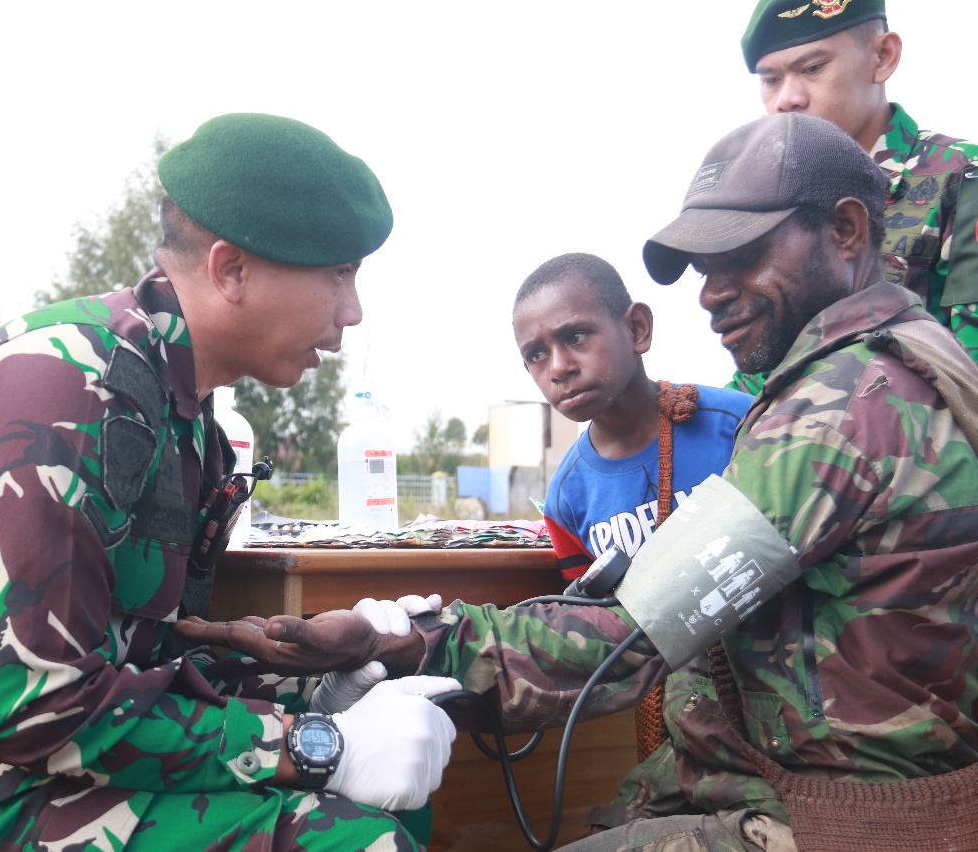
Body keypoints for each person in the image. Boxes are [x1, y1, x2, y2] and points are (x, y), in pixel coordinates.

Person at [180, 113, 978, 851]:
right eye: (704, 269)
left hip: (841, 820)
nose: (710, 294)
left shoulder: (841, 406)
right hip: (786, 784)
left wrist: (406, 641)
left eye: (742, 257)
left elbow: (633, 630)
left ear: (846, 230)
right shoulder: (911, 359)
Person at [0, 112, 460, 852]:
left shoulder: (174, 405)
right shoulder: (68, 387)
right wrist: (316, 743)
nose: (351, 314)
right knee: (354, 841)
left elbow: (134, 660)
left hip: (8, 755)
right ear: (231, 270)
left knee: (400, 796)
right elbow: (42, 710)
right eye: (338, 274)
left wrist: (314, 694)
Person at [513, 252, 753, 833]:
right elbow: (601, 628)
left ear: (638, 329)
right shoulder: (568, 495)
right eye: (536, 354)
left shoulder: (738, 425)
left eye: (576, 337)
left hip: (771, 695)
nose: (559, 367)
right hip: (672, 719)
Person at [730, 0, 978, 395]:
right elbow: (758, 379)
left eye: (813, 68)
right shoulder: (775, 205)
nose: (787, 99)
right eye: (771, 80)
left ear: (883, 57)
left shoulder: (960, 178)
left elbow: (971, 373)